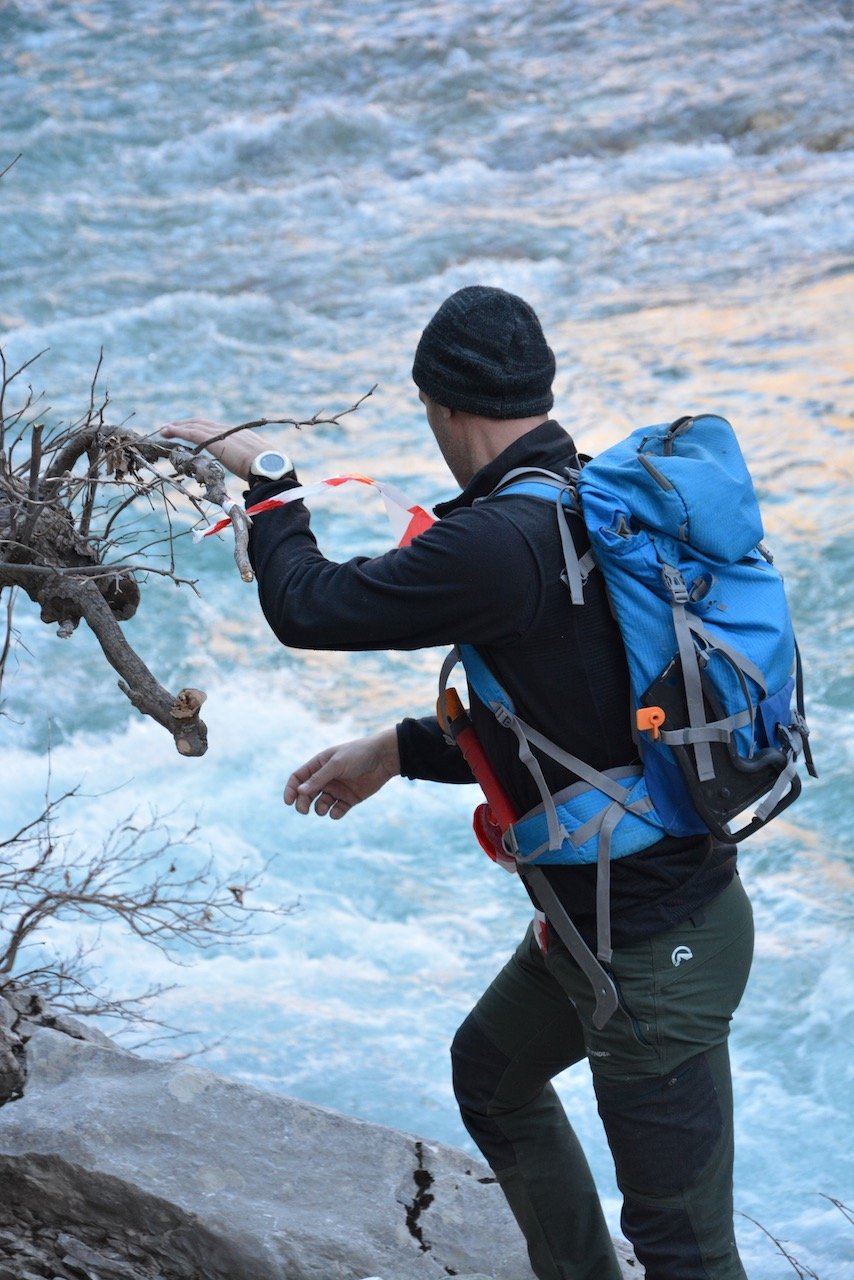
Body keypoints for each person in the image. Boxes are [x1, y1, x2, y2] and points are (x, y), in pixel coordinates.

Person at [161, 286, 754, 1280]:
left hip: (654, 951)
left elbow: (309, 603)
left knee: (685, 1252)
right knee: (491, 1075)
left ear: (440, 405)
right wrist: (397, 746)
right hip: (604, 923)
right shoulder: (585, 497)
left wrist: (270, 481)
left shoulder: (498, 542)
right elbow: (569, 720)